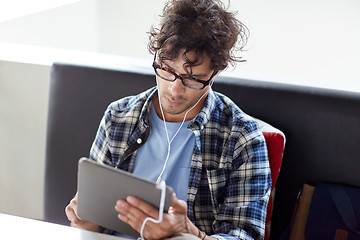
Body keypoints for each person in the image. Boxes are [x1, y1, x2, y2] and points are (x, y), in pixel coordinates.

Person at [65, 0, 271, 239]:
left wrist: (189, 233)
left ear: (214, 73)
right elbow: (93, 223)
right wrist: (87, 223)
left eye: (193, 79)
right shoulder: (118, 117)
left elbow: (245, 235)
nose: (174, 90)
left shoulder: (242, 138)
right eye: (167, 69)